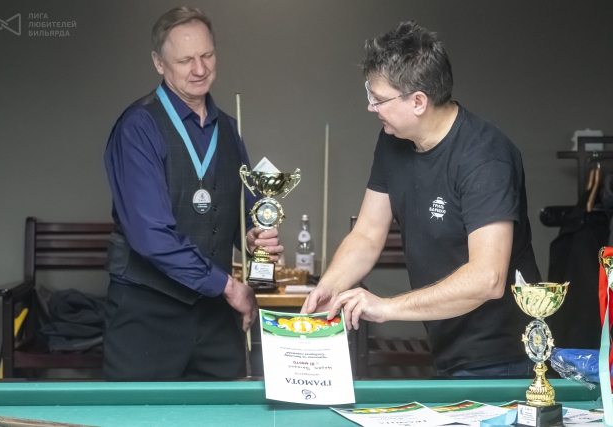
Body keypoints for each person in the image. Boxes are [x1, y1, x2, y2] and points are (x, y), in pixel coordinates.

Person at [302, 21, 541, 377]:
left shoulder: (485, 157)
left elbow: (487, 279)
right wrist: (330, 286)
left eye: (378, 99)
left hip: (504, 356)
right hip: (446, 346)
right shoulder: (393, 140)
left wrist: (385, 308)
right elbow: (367, 234)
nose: (370, 107)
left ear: (417, 101)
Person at [103, 7, 282, 379]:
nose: (200, 69)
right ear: (159, 63)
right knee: (140, 413)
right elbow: (150, 235)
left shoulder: (229, 129)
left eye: (207, 55)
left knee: (227, 410)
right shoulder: (139, 127)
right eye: (185, 60)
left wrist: (254, 239)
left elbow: (242, 219)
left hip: (217, 319)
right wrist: (228, 287)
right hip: (147, 316)